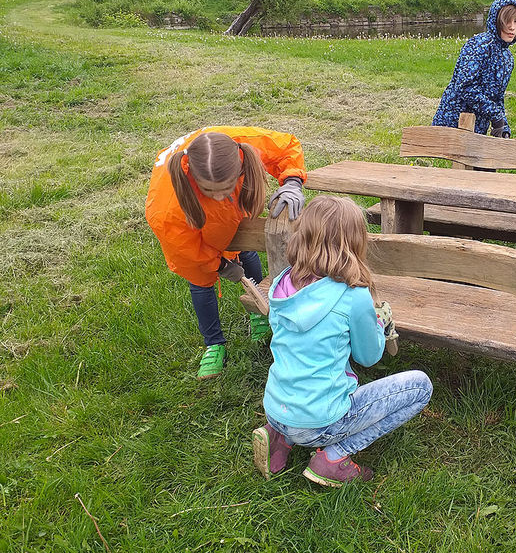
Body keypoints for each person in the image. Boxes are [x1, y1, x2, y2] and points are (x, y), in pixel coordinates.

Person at [252, 196, 432, 487]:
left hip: (276, 407)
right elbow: (368, 357)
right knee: (421, 386)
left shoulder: (281, 284)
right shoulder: (353, 296)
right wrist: (379, 324)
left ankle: (279, 438)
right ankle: (334, 457)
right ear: (354, 243)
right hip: (320, 421)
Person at [145, 126, 306, 380]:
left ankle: (259, 313)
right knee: (200, 280)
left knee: (243, 251)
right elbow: (183, 249)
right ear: (195, 180)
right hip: (192, 225)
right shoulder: (168, 208)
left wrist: (292, 182)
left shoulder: (242, 145)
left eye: (227, 187)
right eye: (211, 191)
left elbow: (285, 146)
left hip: (229, 215)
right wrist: (218, 265)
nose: (220, 196)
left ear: (240, 166)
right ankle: (214, 344)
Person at [433, 0, 516, 138]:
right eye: (507, 21)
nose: (512, 27)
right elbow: (465, 86)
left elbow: (497, 98)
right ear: (496, 21)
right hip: (455, 119)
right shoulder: (478, 45)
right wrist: (495, 115)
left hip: (478, 126)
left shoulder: (507, 59)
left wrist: (503, 125)